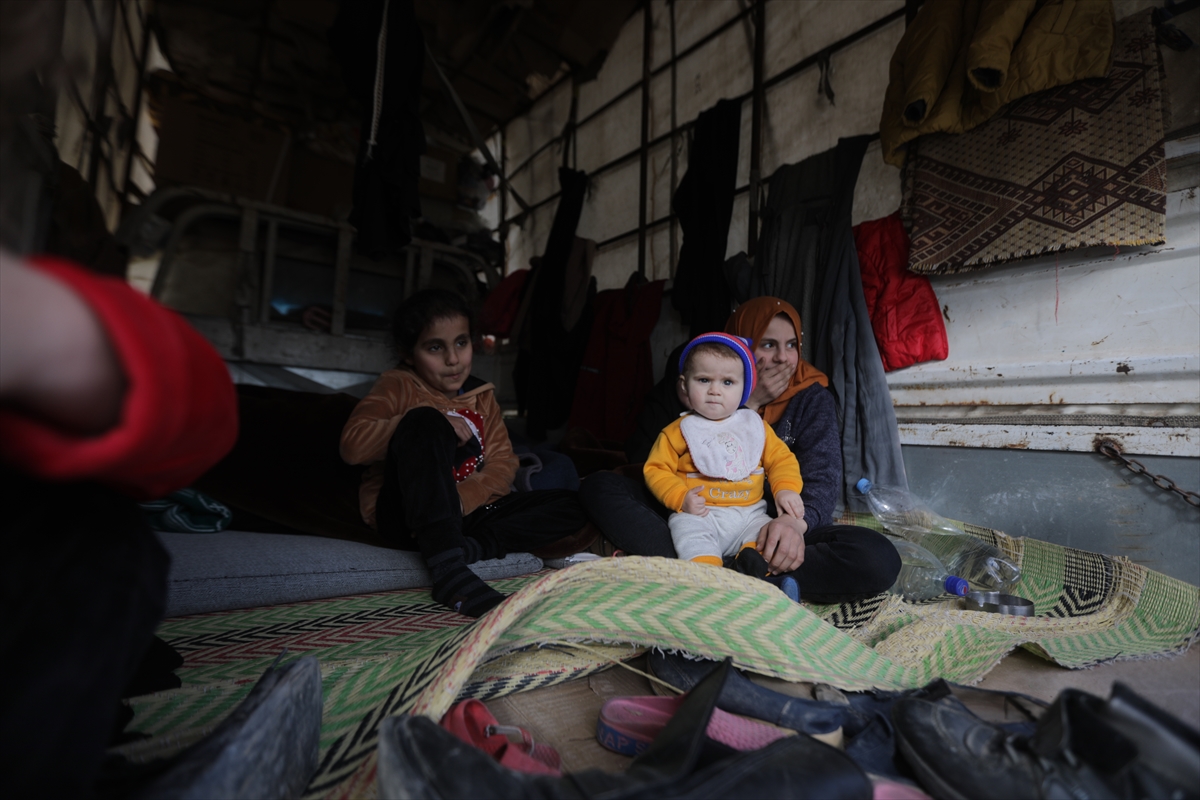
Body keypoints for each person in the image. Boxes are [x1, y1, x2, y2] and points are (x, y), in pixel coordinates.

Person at [579, 297, 900, 603]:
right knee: (598, 486)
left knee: (876, 557)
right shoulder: (694, 376)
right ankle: (737, 577)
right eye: (768, 344)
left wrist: (793, 524)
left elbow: (821, 477)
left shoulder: (812, 398)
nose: (783, 358)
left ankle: (716, 575)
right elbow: (643, 457)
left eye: (792, 345)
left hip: (764, 528)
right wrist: (748, 401)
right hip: (693, 514)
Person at [340, 288, 588, 617]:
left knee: (576, 504)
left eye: (461, 343)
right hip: (409, 515)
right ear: (409, 353)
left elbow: (503, 464)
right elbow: (352, 447)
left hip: (467, 512)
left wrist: (458, 501)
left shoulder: (482, 396)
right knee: (423, 420)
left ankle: (467, 549)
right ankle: (449, 574)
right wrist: (429, 421)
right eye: (434, 348)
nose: (453, 359)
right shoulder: (398, 384)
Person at [643, 334, 805, 585]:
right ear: (684, 386)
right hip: (701, 513)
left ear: (745, 387)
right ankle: (709, 581)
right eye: (704, 380)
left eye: (728, 382)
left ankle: (752, 570)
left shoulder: (754, 427)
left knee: (765, 534)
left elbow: (781, 460)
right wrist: (679, 497)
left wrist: (785, 489)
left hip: (749, 513)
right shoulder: (679, 431)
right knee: (689, 534)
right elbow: (656, 469)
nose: (715, 391)